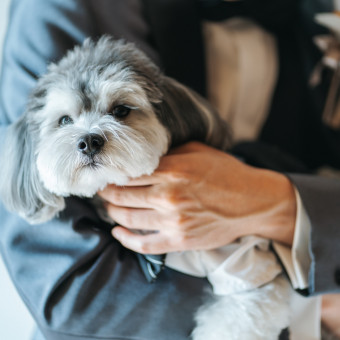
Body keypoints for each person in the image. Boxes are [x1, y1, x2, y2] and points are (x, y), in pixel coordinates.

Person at [0, 0, 339, 339]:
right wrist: (306, 303)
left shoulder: (310, 16)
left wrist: (278, 209)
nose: (89, 138)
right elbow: (72, 297)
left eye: (119, 111)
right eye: (65, 120)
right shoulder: (61, 9)